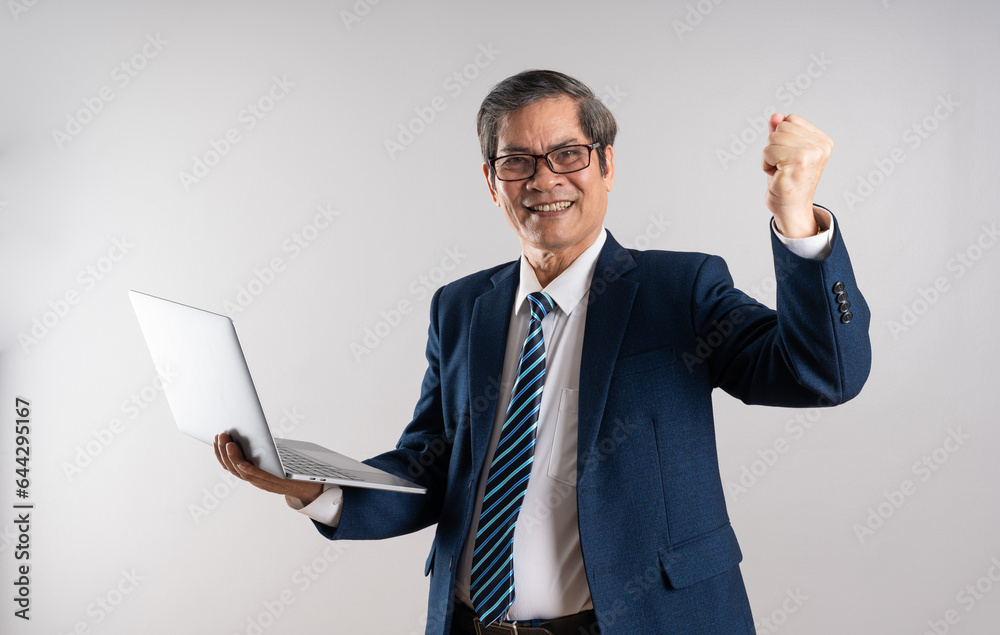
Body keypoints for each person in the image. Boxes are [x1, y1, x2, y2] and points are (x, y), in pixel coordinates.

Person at [214, 69, 871, 635]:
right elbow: (428, 468)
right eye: (517, 161)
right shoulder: (461, 306)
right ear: (491, 179)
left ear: (607, 165)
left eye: (568, 154)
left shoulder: (681, 289)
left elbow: (821, 372)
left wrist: (798, 219)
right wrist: (308, 484)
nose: (543, 179)